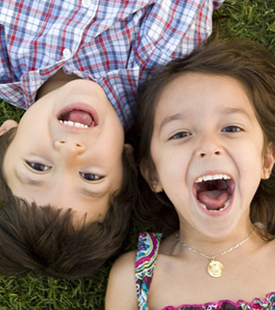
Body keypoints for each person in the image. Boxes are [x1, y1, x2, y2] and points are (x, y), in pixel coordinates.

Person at [0, 0, 223, 279]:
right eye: (91, 177)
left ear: (7, 133)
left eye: (38, 166)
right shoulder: (161, 58)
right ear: (128, 162)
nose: (69, 149)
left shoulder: (5, 58)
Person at [105, 39, 275, 309]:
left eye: (231, 128)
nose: (208, 146)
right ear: (152, 173)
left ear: (267, 159)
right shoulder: (135, 277)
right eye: (181, 134)